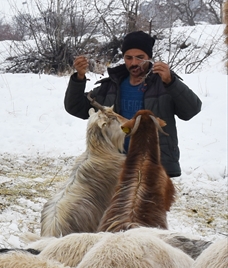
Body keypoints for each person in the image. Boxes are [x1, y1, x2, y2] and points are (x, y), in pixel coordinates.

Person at [64, 30, 202, 177]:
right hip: (116, 165)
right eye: (128, 58)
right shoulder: (112, 85)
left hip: (153, 166)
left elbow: (191, 110)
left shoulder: (163, 83)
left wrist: (171, 82)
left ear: (149, 57)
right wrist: (79, 78)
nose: (134, 63)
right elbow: (76, 107)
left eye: (140, 57)